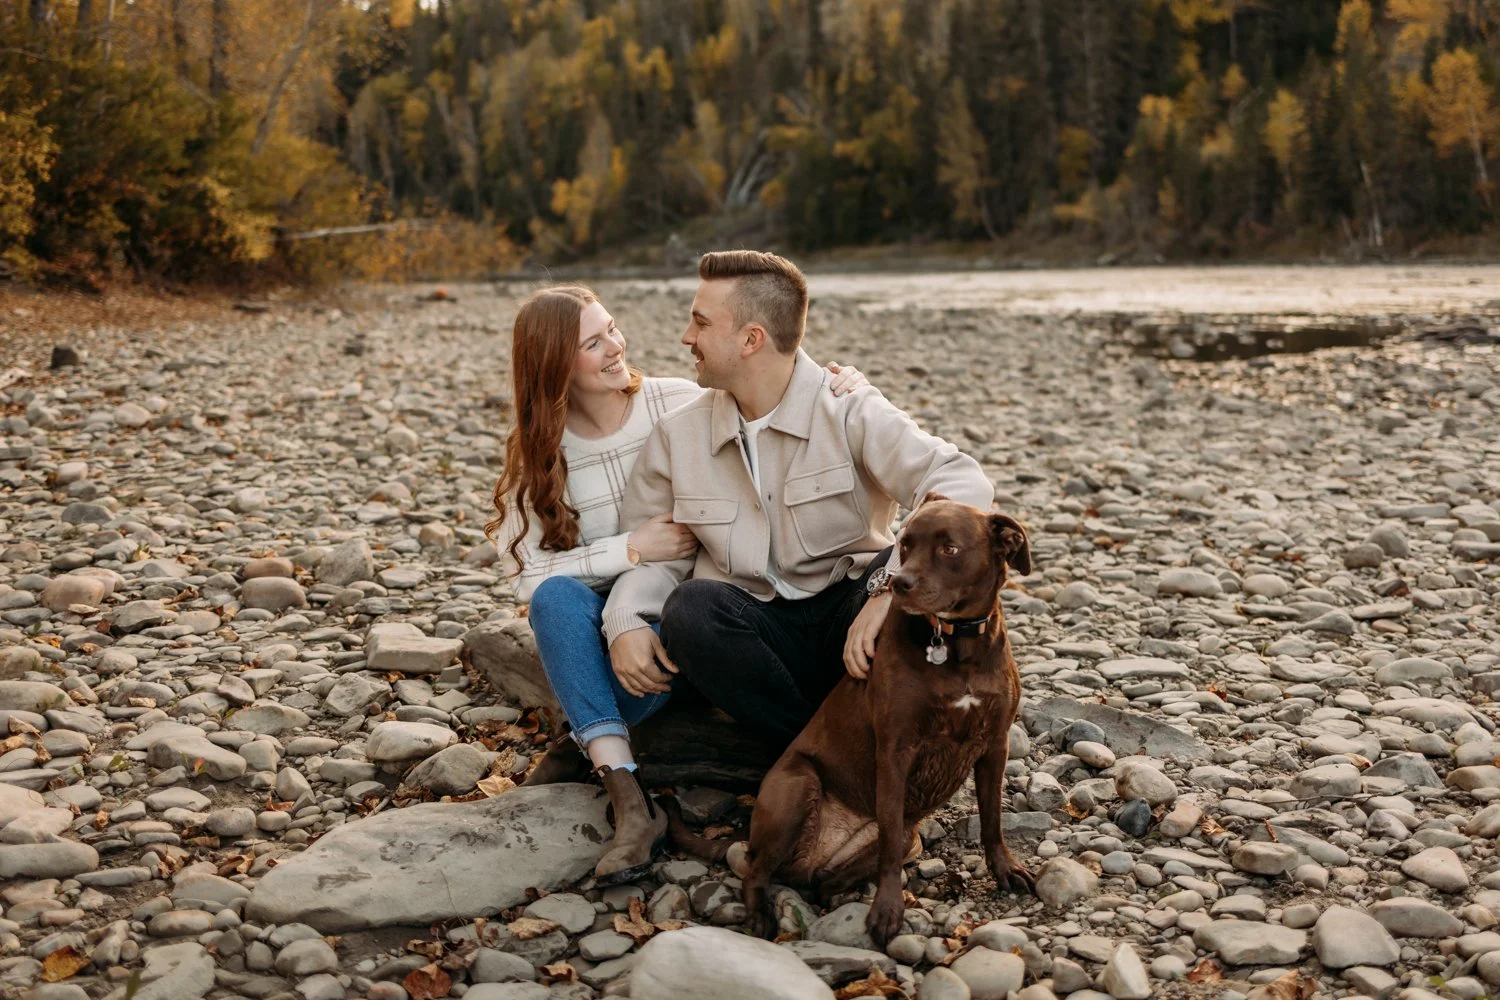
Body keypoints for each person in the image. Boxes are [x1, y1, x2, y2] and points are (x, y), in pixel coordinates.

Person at [487, 283, 866, 884]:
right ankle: (632, 804)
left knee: (678, 610)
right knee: (556, 599)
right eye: (594, 342)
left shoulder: (678, 403)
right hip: (605, 646)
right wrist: (628, 550)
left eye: (611, 327)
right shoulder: (538, 456)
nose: (617, 345)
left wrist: (841, 384)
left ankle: (582, 737)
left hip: (689, 632)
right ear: (556, 364)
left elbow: (771, 397)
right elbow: (524, 579)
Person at [602, 250, 994, 756]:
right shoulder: (679, 435)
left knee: (913, 584)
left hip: (854, 622)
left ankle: (844, 743)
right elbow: (660, 553)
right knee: (691, 610)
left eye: (700, 322)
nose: (686, 337)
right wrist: (626, 619)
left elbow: (964, 482)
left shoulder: (848, 406)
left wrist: (885, 592)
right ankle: (816, 750)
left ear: (751, 339)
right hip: (757, 639)